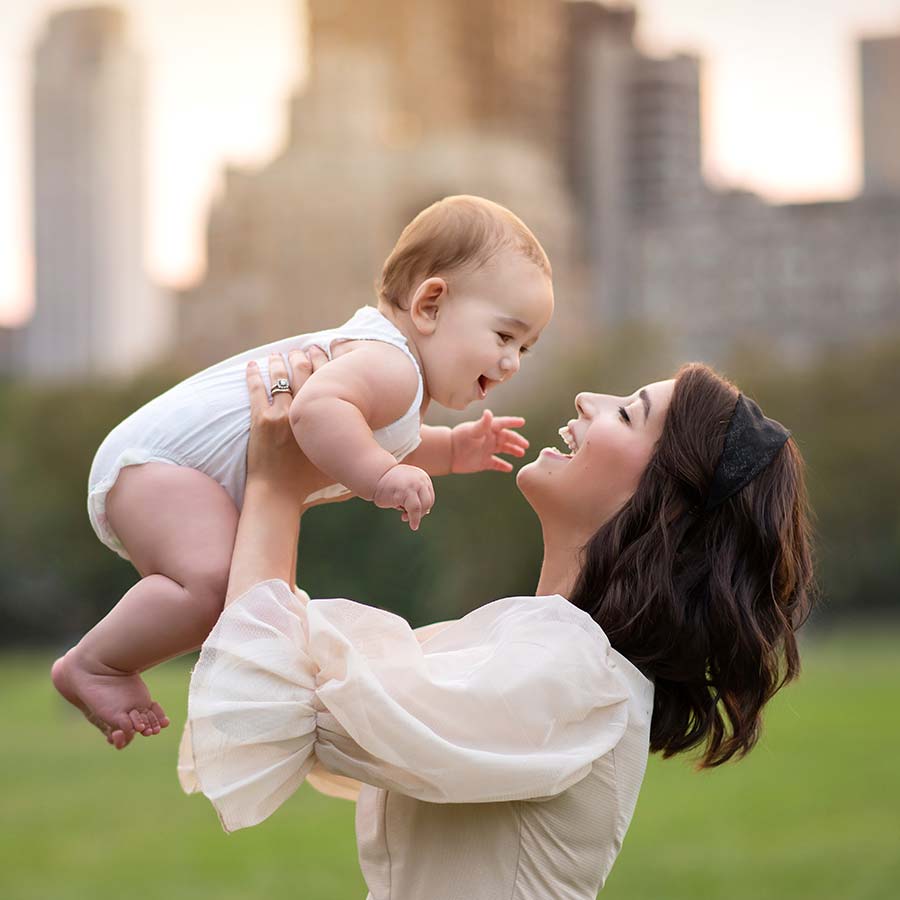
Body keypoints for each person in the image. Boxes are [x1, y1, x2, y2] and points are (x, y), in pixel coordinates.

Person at [178, 347, 814, 899]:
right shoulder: (539, 648)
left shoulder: (575, 671)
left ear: (663, 504)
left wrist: (277, 484)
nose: (588, 399)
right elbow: (285, 678)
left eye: (627, 414)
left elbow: (261, 701)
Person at [50, 195, 554, 750]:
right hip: (163, 467)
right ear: (430, 305)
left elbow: (374, 435)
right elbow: (316, 411)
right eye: (505, 337)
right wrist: (382, 477)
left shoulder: (397, 379)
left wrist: (455, 449)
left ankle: (106, 662)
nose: (511, 361)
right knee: (216, 586)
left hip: (173, 472)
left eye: (526, 348)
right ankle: (94, 664)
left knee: (233, 592)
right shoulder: (391, 367)